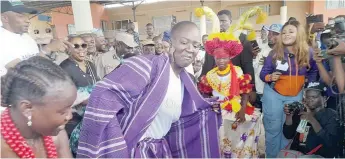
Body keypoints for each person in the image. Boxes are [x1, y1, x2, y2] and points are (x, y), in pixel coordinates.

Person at [76, 21, 221, 158]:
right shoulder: (147, 66)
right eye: (184, 42)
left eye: (196, 45)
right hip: (134, 151)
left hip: (159, 151)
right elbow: (103, 94)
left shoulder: (186, 82)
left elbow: (185, 119)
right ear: (169, 43)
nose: (190, 49)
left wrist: (208, 106)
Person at [260, 20, 318, 158]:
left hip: (295, 96)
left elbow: (314, 71)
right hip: (273, 95)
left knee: (289, 130)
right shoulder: (274, 53)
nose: (286, 35)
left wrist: (307, 81)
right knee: (273, 129)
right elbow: (263, 74)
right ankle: (272, 156)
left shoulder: (308, 52)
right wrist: (270, 77)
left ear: (299, 34)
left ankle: (284, 155)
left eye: (291, 31)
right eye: (284, 32)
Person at [198, 32, 260, 158]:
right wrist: (211, 105)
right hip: (218, 110)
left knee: (239, 137)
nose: (221, 61)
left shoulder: (237, 71)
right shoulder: (210, 75)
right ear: (214, 58)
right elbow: (207, 95)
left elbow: (244, 91)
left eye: (224, 58)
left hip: (236, 107)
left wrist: (242, 109)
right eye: (218, 58)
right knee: (220, 139)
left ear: (229, 58)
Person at [0, 56, 76, 158]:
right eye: (63, 111)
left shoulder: (57, 135)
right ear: (27, 109)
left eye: (70, 107)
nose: (69, 116)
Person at [0, 0, 72, 76]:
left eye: (27, 16)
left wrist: (53, 51)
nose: (28, 20)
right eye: (20, 15)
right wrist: (47, 49)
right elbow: (23, 71)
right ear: (4, 18)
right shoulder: (2, 40)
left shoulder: (27, 38)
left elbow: (39, 60)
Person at [202, 9, 256, 104]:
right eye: (219, 22)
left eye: (224, 21)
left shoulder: (242, 39)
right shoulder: (212, 39)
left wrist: (251, 87)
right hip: (214, 85)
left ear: (230, 22)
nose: (221, 24)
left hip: (235, 85)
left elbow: (247, 64)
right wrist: (203, 83)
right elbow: (207, 63)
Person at [283, 82, 340, 158]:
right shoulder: (301, 112)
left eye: (314, 97)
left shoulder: (332, 115)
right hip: (297, 154)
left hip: (320, 155)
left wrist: (313, 121)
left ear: (325, 98)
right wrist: (289, 116)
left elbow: (330, 143)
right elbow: (288, 135)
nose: (310, 100)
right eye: (307, 97)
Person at [59, 36, 99, 138]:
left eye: (83, 45)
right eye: (76, 46)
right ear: (68, 49)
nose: (81, 48)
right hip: (75, 120)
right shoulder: (64, 67)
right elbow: (63, 97)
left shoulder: (90, 65)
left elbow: (97, 84)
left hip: (93, 115)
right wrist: (82, 100)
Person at [254, 24, 282, 109]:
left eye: (275, 34)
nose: (271, 36)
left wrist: (269, 62)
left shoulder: (282, 52)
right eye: (270, 33)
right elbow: (254, 67)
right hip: (256, 90)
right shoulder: (260, 48)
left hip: (271, 93)